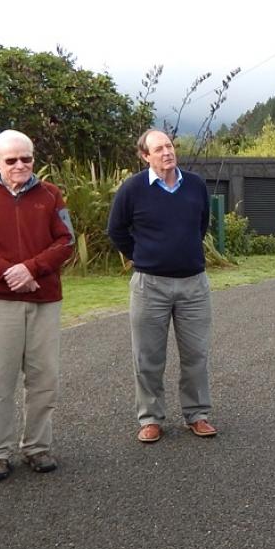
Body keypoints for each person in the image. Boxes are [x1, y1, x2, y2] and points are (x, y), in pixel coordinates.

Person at [0, 130, 74, 481]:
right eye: (11, 160)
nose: (20, 165)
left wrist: (31, 269)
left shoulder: (50, 194)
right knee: (0, 380)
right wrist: (11, 273)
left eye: (27, 158)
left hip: (43, 298)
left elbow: (66, 240)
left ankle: (37, 446)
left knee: (44, 378)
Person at [107, 130, 216, 444]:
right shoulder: (133, 189)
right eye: (159, 149)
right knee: (148, 357)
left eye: (169, 146)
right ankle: (151, 418)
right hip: (149, 286)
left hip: (194, 285)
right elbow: (116, 230)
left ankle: (197, 414)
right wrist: (142, 255)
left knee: (196, 354)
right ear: (145, 156)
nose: (167, 152)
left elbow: (201, 224)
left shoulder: (195, 185)